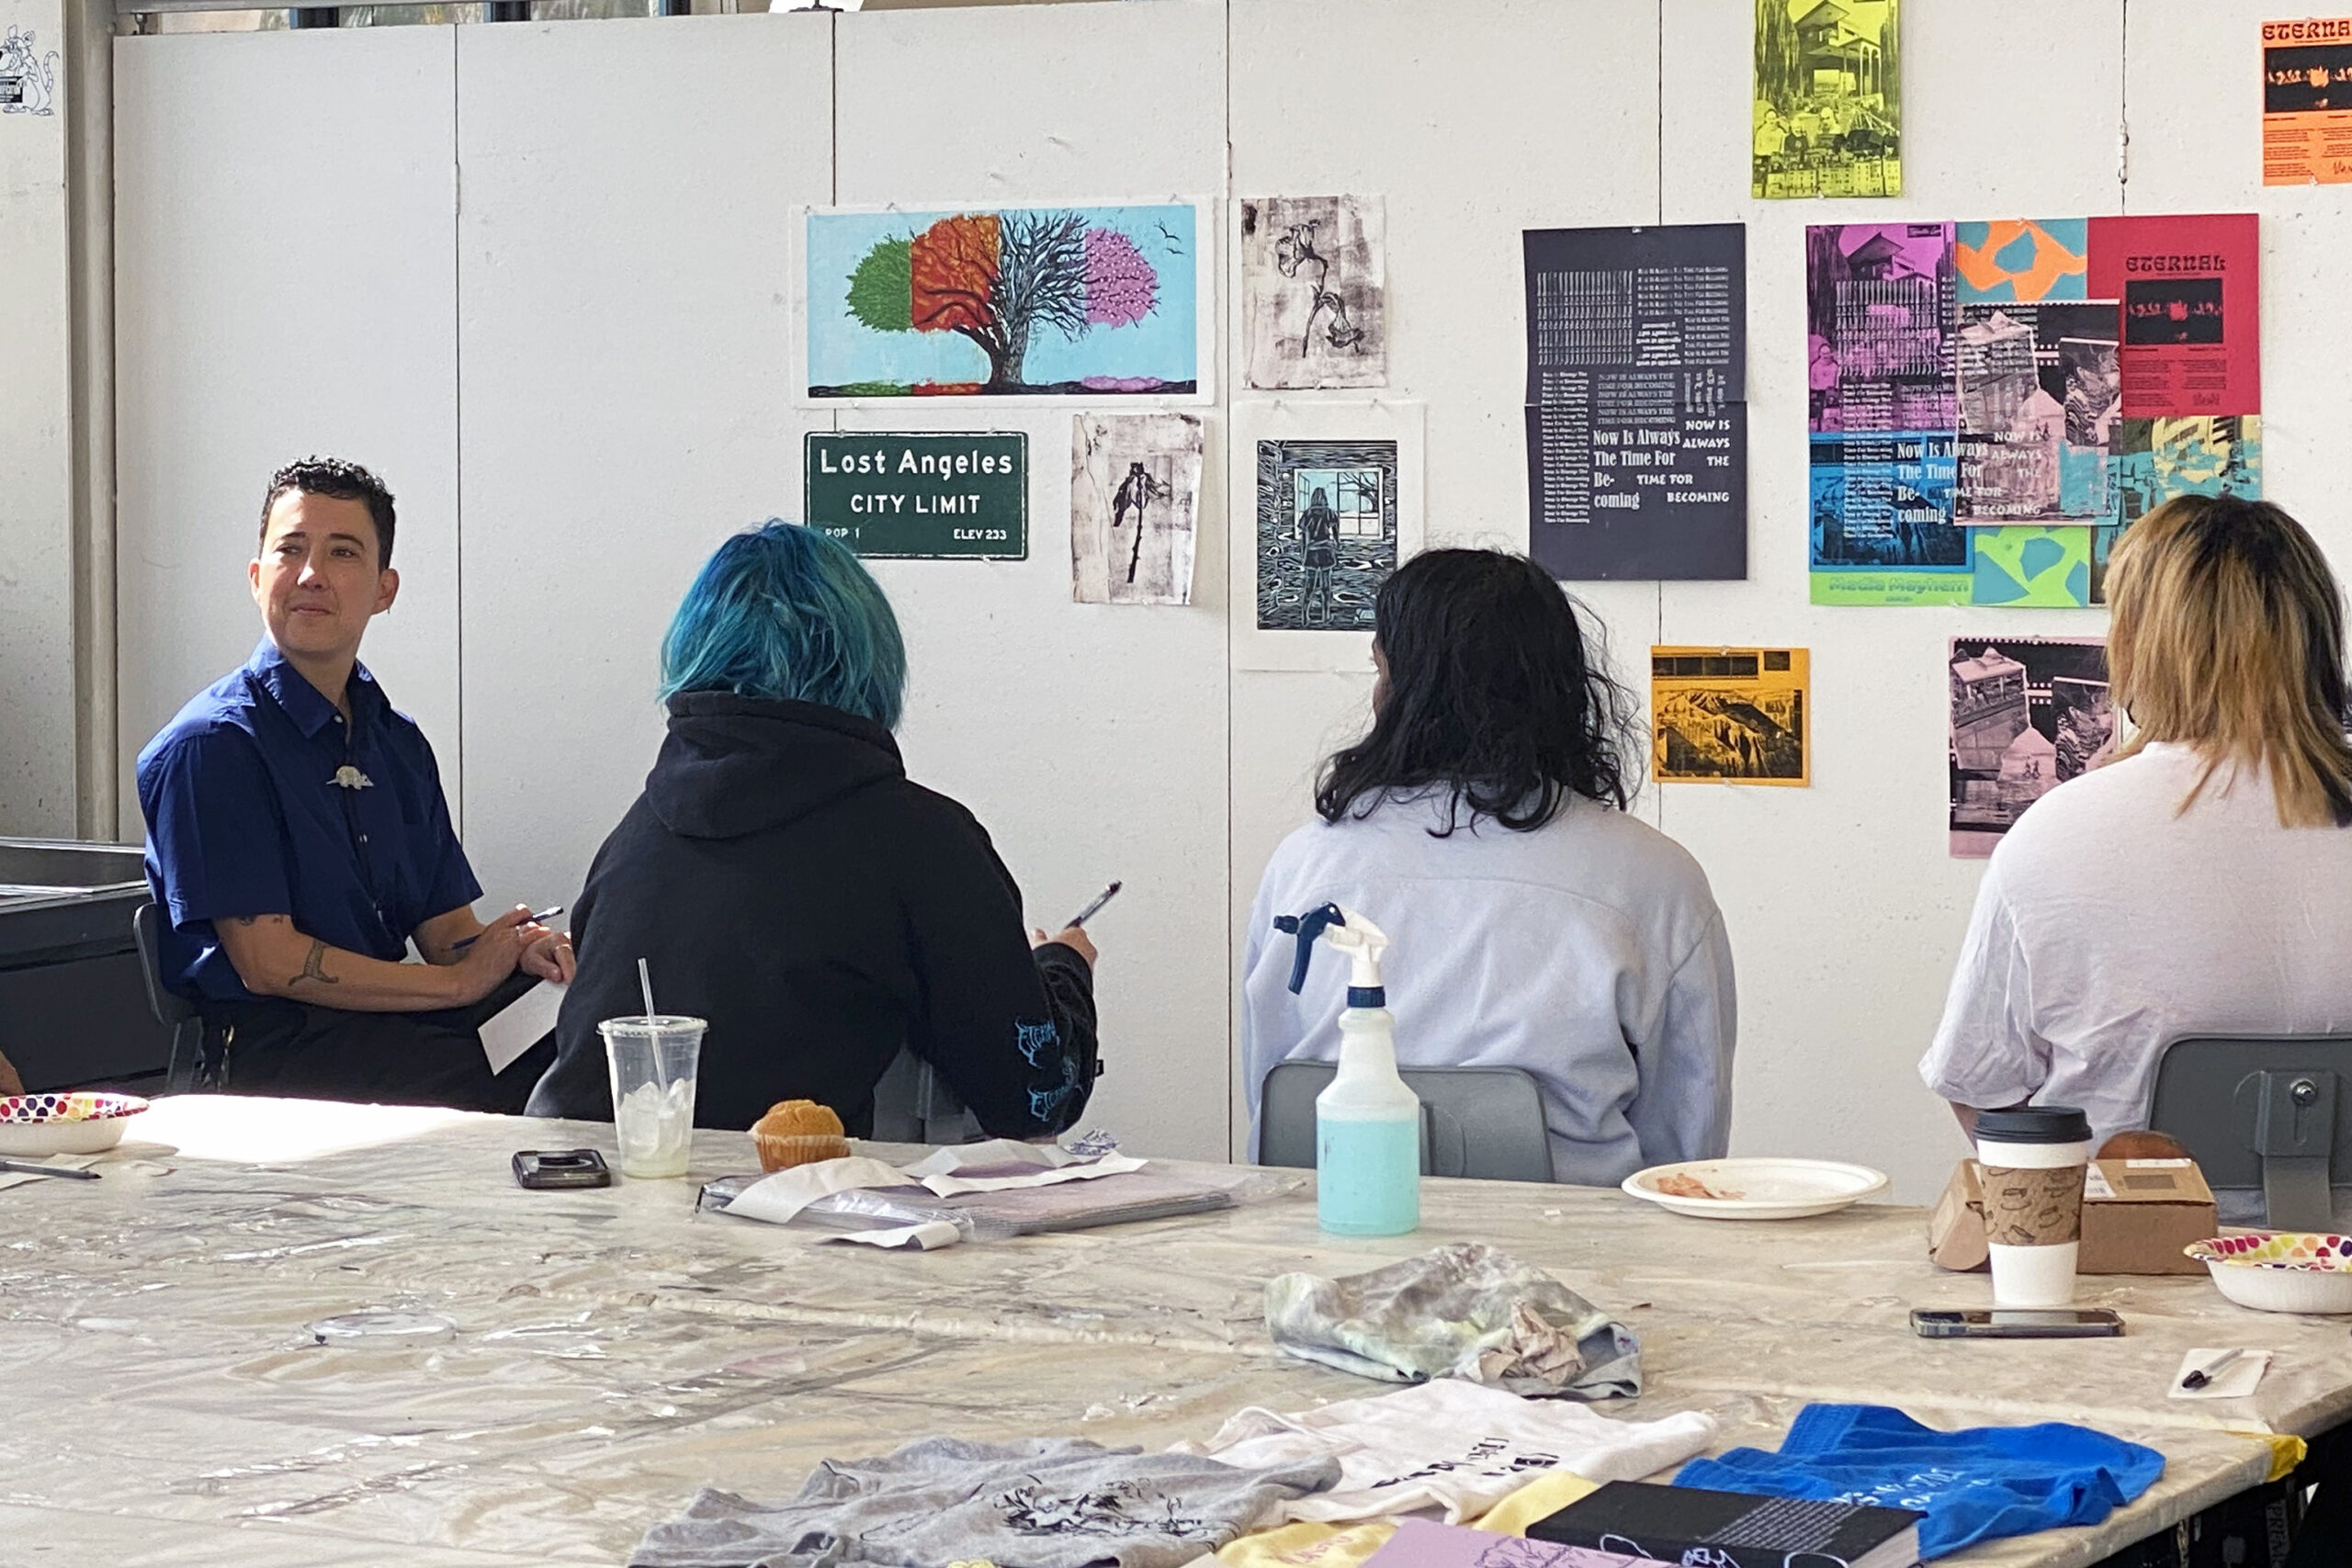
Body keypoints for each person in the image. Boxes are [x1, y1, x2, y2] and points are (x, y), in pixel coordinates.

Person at [526, 521, 1100, 1134]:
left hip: (566, 1184)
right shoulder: (920, 841)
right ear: (871, 654)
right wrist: (1065, 968)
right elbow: (1030, 1095)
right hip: (780, 1210)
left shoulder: (638, 834)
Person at [1240, 548, 1736, 1185]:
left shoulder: (1302, 865)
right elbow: (1685, 1155)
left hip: (1338, 1245)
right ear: (1564, 692)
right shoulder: (1656, 879)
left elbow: (1272, 1109)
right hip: (1581, 1269)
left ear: (1401, 691)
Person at [137, 457, 573, 1110]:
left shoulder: (395, 741)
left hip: (393, 1030)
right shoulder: (214, 746)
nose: (311, 574)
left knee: (585, 1029)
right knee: (518, 1084)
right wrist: (456, 985)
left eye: (342, 552)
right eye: (291, 549)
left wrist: (516, 950)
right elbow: (270, 962)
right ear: (257, 579)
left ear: (384, 589)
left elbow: (446, 931)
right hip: (279, 1058)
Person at [1921, 495, 2352, 1148]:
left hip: (2123, 1242)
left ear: (2138, 644)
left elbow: (1981, 1091)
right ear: (2318, 635)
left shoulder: (2057, 832)